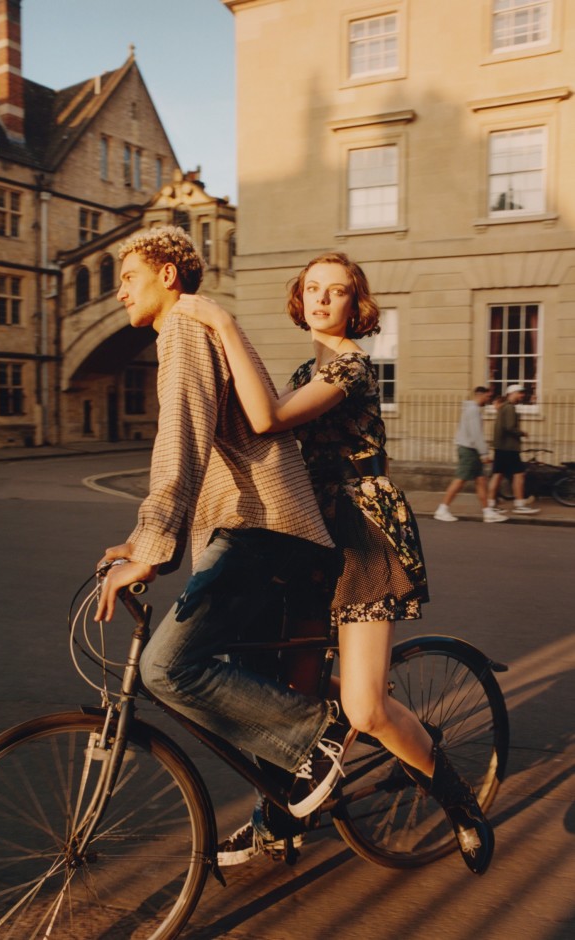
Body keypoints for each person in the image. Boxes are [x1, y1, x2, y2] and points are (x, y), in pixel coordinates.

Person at [175, 251, 494, 876]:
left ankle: (460, 804)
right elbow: (251, 427)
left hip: (364, 534)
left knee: (365, 709)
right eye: (312, 289)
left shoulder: (351, 367)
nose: (322, 300)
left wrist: (219, 321)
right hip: (308, 532)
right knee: (281, 693)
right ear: (301, 299)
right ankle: (279, 824)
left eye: (337, 291)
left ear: (357, 303)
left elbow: (266, 416)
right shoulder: (304, 367)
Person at [95, 226, 348, 827]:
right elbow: (191, 452)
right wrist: (140, 539)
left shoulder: (184, 326)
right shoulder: (186, 331)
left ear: (167, 274)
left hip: (262, 527)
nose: (119, 294)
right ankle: (279, 821)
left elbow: (179, 441)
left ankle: (319, 736)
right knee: (248, 686)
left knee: (167, 668)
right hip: (250, 527)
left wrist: (153, 553)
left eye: (128, 278)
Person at [434, 387, 507, 523]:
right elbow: (476, 434)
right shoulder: (473, 410)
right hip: (469, 450)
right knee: (460, 479)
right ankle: (442, 509)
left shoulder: (471, 409)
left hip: (470, 449)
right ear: (481, 395)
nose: (489, 400)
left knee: (481, 480)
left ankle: (487, 512)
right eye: (487, 397)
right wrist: (484, 453)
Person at [487, 385, 540, 515]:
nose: (522, 396)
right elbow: (510, 427)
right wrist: (522, 433)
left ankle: (490, 504)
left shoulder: (503, 407)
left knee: (497, 475)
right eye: (520, 393)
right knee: (519, 475)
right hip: (509, 448)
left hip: (501, 447)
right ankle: (520, 505)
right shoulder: (510, 407)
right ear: (513, 393)